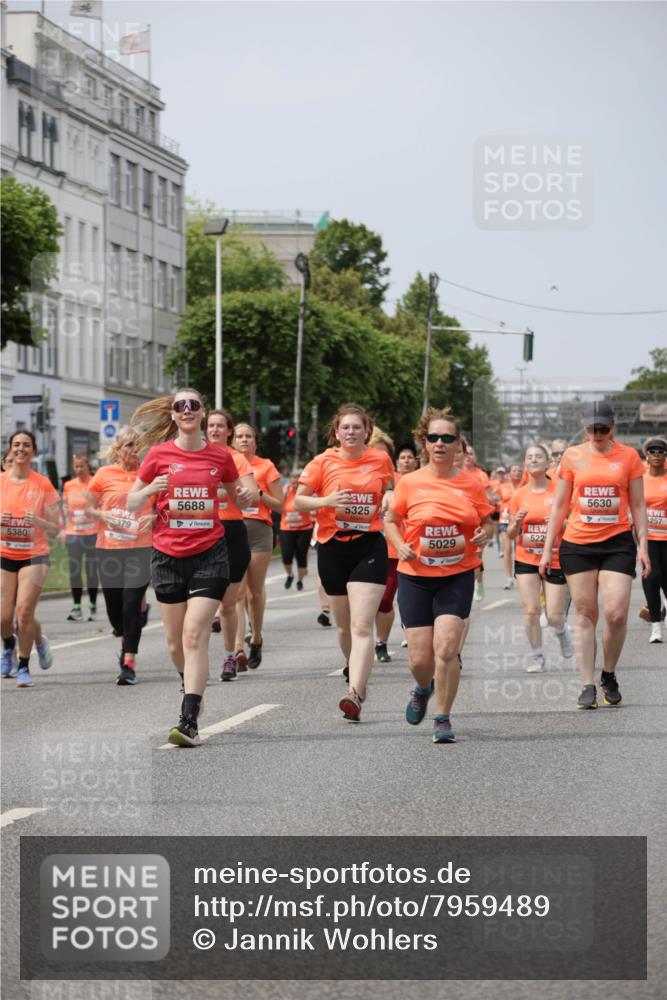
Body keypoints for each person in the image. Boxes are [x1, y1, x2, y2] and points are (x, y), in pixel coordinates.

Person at [128, 389, 254, 746]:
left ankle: (188, 719)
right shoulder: (158, 454)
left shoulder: (219, 456)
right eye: (180, 406)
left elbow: (238, 491)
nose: (186, 410)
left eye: (193, 405)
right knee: (173, 644)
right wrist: (151, 487)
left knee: (194, 634)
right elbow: (133, 499)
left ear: (202, 413)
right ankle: (191, 686)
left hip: (210, 553)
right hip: (167, 555)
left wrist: (244, 494)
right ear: (172, 414)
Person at [384, 410, 493, 744]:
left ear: (458, 444)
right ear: (425, 442)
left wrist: (485, 534)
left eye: (448, 438)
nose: (441, 444)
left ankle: (443, 717)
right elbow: (390, 520)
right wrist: (400, 544)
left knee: (446, 647)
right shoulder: (410, 482)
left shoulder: (471, 483)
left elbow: (488, 521)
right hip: (415, 575)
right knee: (420, 659)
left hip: (456, 573)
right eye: (434, 438)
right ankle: (423, 687)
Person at [540, 401, 649, 709]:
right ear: (583, 426)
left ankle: (609, 673)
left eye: (603, 429)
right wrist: (548, 549)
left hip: (617, 542)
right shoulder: (573, 457)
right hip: (578, 544)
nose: (598, 434)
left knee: (615, 613)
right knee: (585, 613)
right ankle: (587, 683)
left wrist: (643, 545)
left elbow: (638, 506)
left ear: (613, 427)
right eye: (592, 429)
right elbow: (559, 506)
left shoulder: (628, 457)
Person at [295, 402, 394, 720]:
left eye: (357, 427)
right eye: (345, 427)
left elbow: (389, 487)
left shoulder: (380, 458)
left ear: (367, 431)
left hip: (369, 546)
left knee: (362, 624)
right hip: (332, 546)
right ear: (336, 432)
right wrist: (326, 500)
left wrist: (391, 496)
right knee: (343, 628)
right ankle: (355, 669)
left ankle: (355, 691)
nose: (351, 432)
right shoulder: (323, 461)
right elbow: (298, 499)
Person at [85, 427, 154, 685]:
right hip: (109, 548)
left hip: (140, 548)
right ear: (118, 449)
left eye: (137, 446)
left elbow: (163, 507)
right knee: (115, 609)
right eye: (129, 446)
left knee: (130, 603)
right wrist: (103, 515)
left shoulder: (148, 475)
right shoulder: (104, 474)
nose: (134, 451)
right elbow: (88, 507)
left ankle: (128, 662)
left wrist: (154, 517)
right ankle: (125, 630)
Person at [507, 444, 574, 671]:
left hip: (555, 557)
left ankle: (562, 631)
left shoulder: (559, 490)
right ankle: (537, 656)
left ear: (547, 463)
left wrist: (558, 522)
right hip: (526, 557)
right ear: (525, 463)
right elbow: (510, 534)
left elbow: (573, 523)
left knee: (554, 614)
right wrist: (516, 523)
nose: (534, 460)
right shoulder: (519, 495)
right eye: (529, 457)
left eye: (538, 457)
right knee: (531, 609)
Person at [1, 430, 59, 686]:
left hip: (35, 555)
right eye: (16, 444)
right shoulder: (1, 481)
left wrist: (38, 521)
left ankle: (24, 665)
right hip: (5, 553)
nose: (21, 448)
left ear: (33, 451)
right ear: (10, 450)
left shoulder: (42, 484)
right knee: (3, 618)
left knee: (24, 612)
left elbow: (56, 527)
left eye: (26, 445)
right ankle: (8, 645)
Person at [205, 409, 258, 680]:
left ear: (229, 432)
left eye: (220, 426)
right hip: (200, 532)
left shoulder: (236, 458)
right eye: (210, 425)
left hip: (231, 531)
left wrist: (245, 494)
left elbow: (252, 496)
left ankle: (229, 656)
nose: (214, 430)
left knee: (228, 601)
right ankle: (196, 664)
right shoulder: (194, 457)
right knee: (201, 602)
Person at [232, 423, 283, 670]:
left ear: (255, 441)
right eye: (239, 436)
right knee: (237, 593)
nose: (244, 440)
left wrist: (258, 494)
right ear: (233, 440)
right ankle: (238, 648)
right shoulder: (227, 463)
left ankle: (257, 637)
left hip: (259, 530)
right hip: (234, 529)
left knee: (254, 591)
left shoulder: (266, 466)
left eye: (248, 436)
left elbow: (280, 506)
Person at [370, 427, 397, 663]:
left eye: (383, 456)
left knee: (385, 599)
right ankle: (359, 642)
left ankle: (381, 641)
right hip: (365, 546)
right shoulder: (361, 480)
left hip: (394, 550)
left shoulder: (402, 483)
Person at [63, 454, 99, 622]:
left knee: (91, 570)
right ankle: (76, 606)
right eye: (76, 466)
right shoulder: (68, 485)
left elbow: (101, 505)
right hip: (73, 533)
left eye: (81, 466)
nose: (79, 469)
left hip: (92, 533)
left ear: (87, 466)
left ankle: (92, 604)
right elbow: (65, 507)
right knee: (74, 570)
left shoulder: (95, 482)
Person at [641, 436, 667, 643]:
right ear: (646, 455)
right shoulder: (639, 478)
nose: (657, 455)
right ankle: (656, 626)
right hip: (647, 538)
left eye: (661, 451)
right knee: (651, 576)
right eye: (653, 451)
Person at [279, 470, 314, 591]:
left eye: (298, 478)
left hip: (304, 528)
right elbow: (278, 506)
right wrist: (283, 493)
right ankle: (290, 575)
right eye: (293, 478)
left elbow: (313, 509)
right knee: (286, 556)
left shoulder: (306, 492)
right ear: (290, 480)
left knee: (301, 556)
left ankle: (300, 580)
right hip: (287, 528)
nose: (295, 480)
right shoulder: (285, 491)